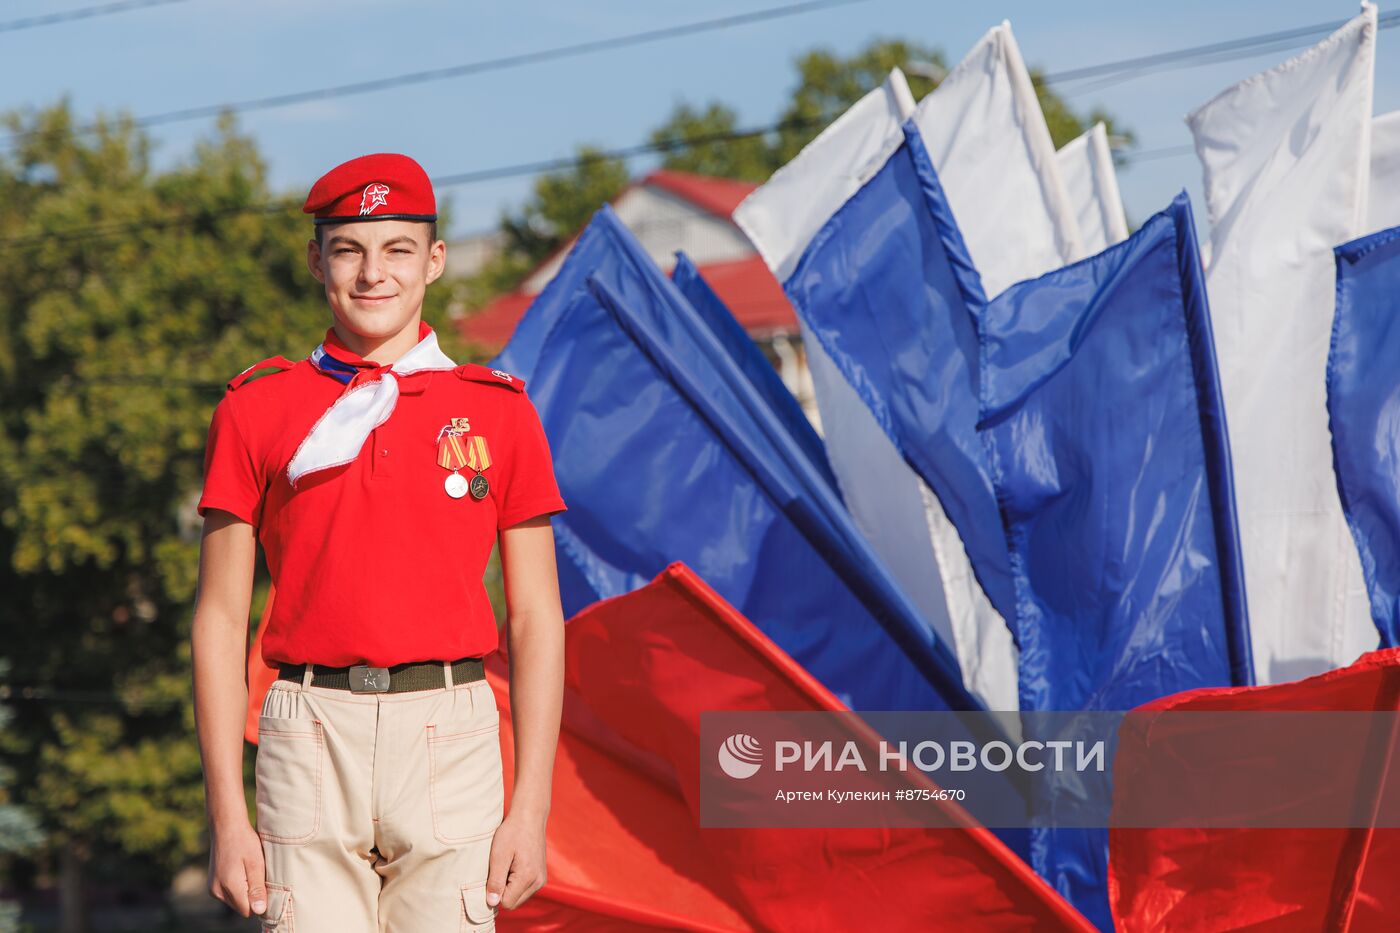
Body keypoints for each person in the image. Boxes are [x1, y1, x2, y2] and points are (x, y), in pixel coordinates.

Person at [189, 152, 567, 931]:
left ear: (433, 261)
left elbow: (535, 619)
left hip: (453, 732)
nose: (373, 274)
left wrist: (531, 807)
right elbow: (221, 620)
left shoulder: (499, 413)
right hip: (306, 727)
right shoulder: (257, 408)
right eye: (349, 249)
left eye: (397, 248)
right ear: (315, 260)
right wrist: (227, 814)